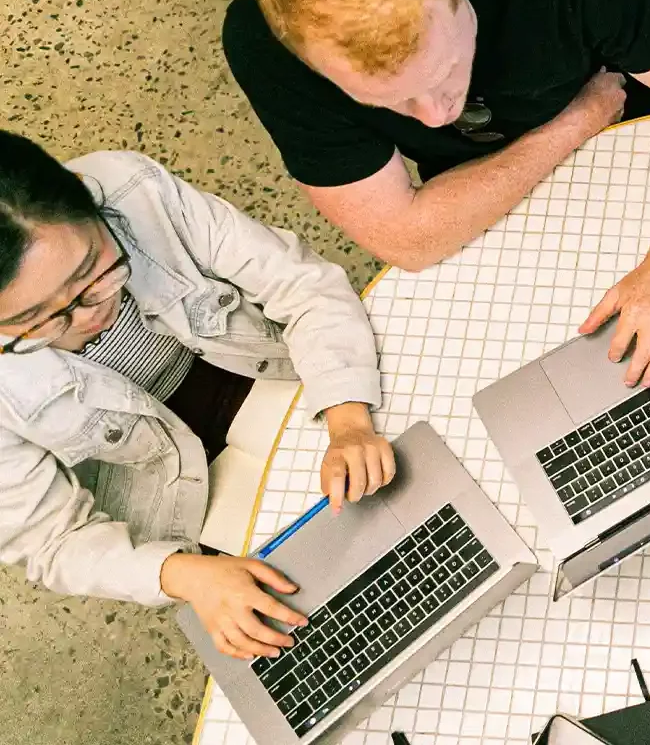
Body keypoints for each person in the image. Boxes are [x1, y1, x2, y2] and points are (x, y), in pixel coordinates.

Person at [224, 0, 650, 388]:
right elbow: (405, 240)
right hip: (523, 165)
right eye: (388, 100)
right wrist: (577, 121)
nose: (433, 118)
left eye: (444, 70)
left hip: (630, 143)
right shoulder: (266, 43)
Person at [0, 132, 399, 661]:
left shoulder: (131, 188)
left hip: (257, 372)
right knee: (321, 625)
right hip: (161, 491)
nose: (88, 318)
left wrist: (348, 418)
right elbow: (48, 539)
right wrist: (182, 573)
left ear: (84, 194)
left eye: (91, 276)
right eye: (34, 321)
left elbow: (300, 284)